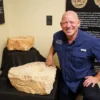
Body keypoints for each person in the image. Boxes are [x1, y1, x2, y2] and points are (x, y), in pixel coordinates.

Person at [46, 10, 100, 100]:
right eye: (65, 23)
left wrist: (97, 78)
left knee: (93, 98)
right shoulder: (57, 36)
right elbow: (54, 44)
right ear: (61, 24)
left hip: (84, 79)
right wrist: (50, 55)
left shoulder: (91, 41)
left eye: (72, 22)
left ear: (78, 23)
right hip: (66, 80)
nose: (68, 26)